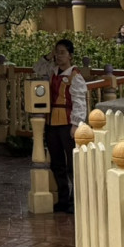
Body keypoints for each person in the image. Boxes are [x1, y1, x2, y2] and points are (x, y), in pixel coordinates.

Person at [46, 38, 89, 215]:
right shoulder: (52, 72)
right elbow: (36, 69)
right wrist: (47, 57)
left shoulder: (75, 76)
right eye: (57, 52)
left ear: (70, 55)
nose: (59, 56)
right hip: (51, 122)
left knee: (72, 163)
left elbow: (79, 102)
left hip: (67, 122)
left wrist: (76, 124)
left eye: (63, 52)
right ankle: (63, 198)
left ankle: (74, 199)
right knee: (57, 162)